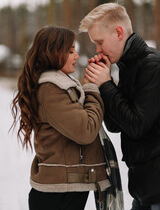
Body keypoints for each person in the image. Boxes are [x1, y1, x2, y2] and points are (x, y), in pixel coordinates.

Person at [10, 26, 123, 210]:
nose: (77, 56)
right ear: (53, 53)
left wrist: (89, 83)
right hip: (57, 194)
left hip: (65, 189)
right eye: (71, 51)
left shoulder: (62, 85)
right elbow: (86, 130)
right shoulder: (51, 89)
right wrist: (92, 88)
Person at [79, 2, 160, 210]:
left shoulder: (152, 66)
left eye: (99, 42)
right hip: (145, 192)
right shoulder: (127, 66)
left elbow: (136, 125)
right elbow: (117, 125)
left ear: (118, 32)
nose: (98, 50)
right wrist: (103, 86)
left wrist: (106, 85)